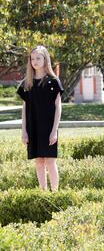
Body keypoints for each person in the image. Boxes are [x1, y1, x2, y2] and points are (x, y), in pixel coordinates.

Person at [17, 45, 63, 191]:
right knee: (39, 162)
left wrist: (54, 130)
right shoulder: (27, 83)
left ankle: (55, 193)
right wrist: (24, 131)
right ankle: (43, 192)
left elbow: (58, 107)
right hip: (33, 126)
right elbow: (24, 108)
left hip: (49, 127)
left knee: (50, 161)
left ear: (45, 59)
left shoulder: (53, 81)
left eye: (38, 58)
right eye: (32, 59)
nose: (35, 61)